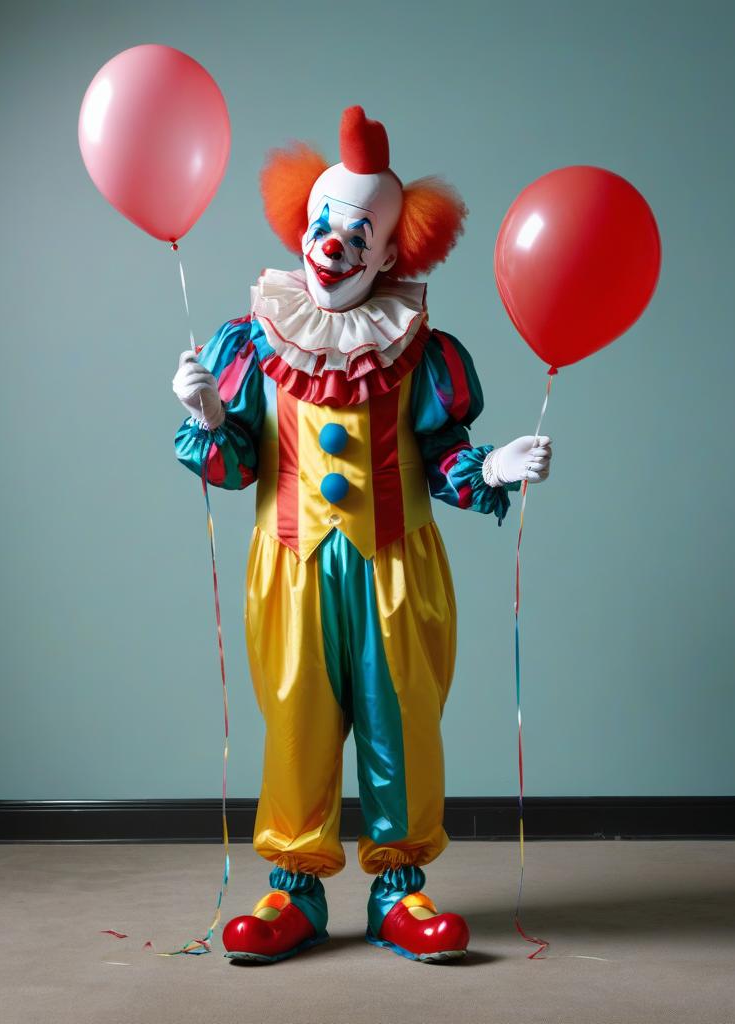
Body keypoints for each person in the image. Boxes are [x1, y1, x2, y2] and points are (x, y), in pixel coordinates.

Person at [172, 106, 552, 964]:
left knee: (402, 721)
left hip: (395, 569)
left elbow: (445, 451)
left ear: (390, 253)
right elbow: (234, 466)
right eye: (320, 224)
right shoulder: (254, 340)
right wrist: (209, 414)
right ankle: (293, 891)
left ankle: (399, 894)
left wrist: (489, 471)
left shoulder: (420, 350)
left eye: (356, 232)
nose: (331, 244)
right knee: (296, 719)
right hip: (292, 564)